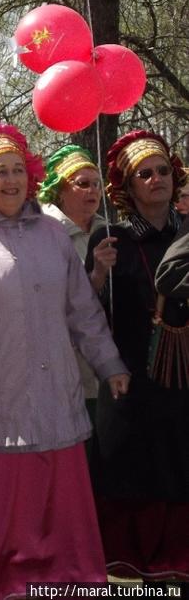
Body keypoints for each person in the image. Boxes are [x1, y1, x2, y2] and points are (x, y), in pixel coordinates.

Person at [0, 123, 130, 600]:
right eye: (0, 171)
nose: (12, 179)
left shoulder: (53, 235)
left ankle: (65, 582)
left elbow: (81, 309)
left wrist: (110, 365)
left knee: (56, 506)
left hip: (54, 393)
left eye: (19, 169)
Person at [86, 129, 189, 580]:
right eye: (144, 174)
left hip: (184, 371)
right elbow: (84, 314)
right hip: (128, 370)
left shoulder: (188, 233)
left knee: (180, 457)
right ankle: (126, 562)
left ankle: (177, 557)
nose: (156, 179)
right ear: (127, 187)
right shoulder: (110, 240)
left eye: (163, 171)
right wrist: (96, 272)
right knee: (128, 460)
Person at [37, 145, 110, 414]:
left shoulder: (108, 231)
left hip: (107, 365)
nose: (93, 191)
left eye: (96, 184)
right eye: (83, 184)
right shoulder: (45, 234)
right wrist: (97, 275)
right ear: (60, 189)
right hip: (64, 366)